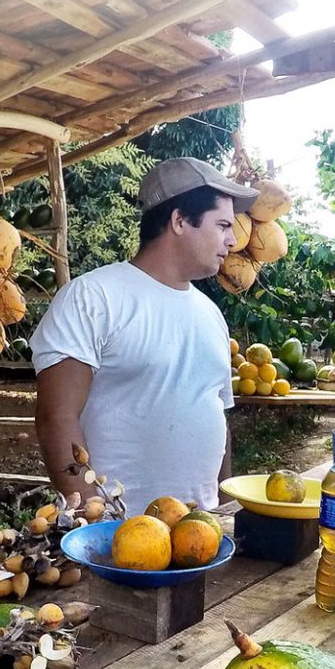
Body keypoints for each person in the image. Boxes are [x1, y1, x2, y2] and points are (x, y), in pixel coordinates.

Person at [33, 156, 252, 511]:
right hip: (119, 541)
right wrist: (95, 527)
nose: (231, 241)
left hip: (200, 535)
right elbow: (55, 417)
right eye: (223, 225)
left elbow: (216, 417)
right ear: (179, 220)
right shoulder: (94, 297)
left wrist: (224, 511)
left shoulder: (211, 314)